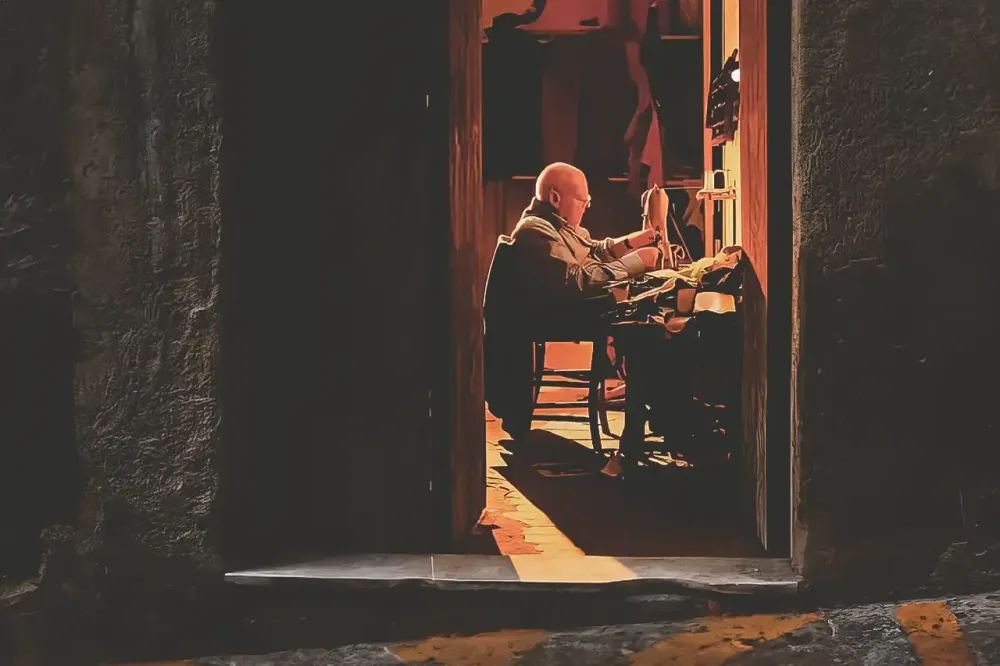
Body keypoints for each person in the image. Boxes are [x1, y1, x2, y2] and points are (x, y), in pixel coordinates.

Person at [510, 162, 661, 314]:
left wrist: (632, 242)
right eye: (583, 202)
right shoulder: (534, 231)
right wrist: (638, 261)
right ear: (555, 198)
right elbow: (579, 281)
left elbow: (594, 250)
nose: (586, 208)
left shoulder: (563, 225)